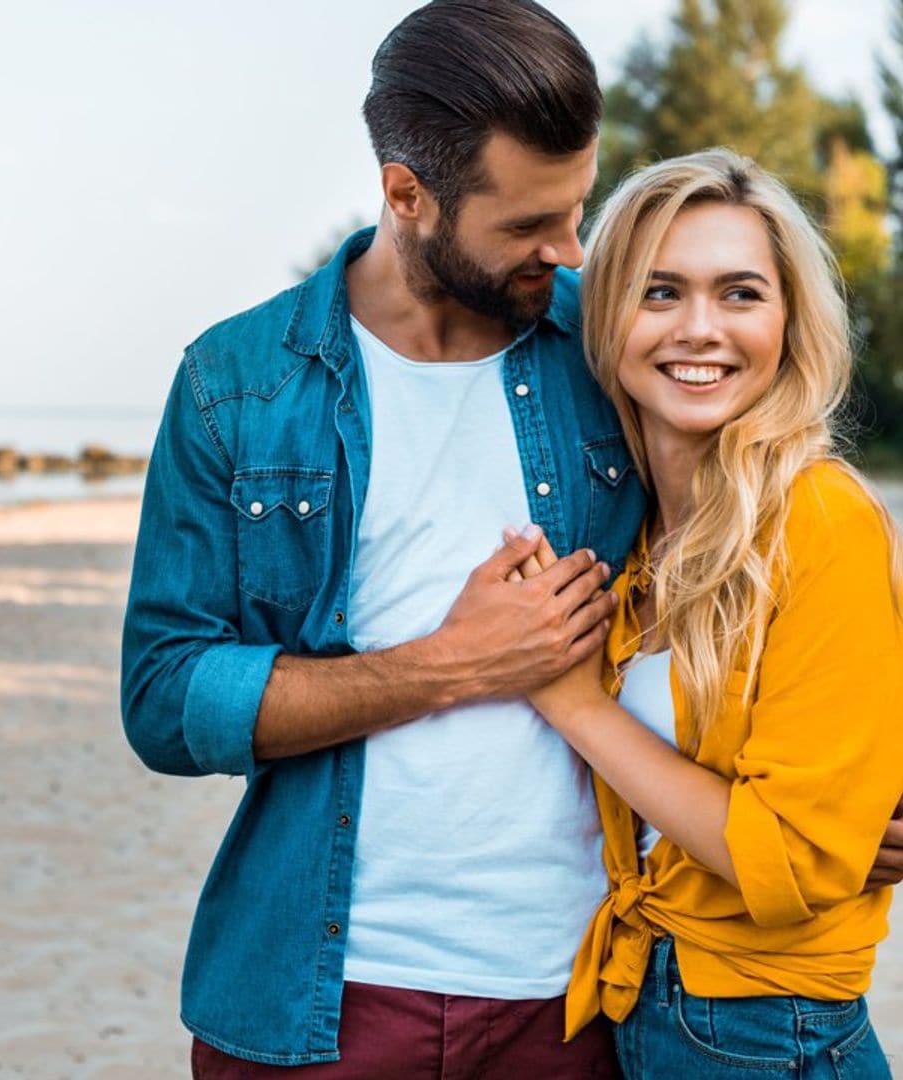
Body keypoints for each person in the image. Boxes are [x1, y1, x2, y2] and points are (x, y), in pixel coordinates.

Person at [120, 3, 903, 1075]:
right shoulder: (238, 384)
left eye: (579, 208)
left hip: (586, 995)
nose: (572, 250)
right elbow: (166, 700)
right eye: (532, 223)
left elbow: (785, 578)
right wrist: (446, 666)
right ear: (408, 194)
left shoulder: (616, 342)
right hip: (319, 989)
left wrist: (852, 803)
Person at [516, 149, 903, 1076]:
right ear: (605, 320)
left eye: (740, 294)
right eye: (659, 293)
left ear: (788, 320)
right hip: (654, 1002)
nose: (701, 330)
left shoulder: (815, 517)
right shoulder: (641, 536)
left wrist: (575, 705)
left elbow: (799, 860)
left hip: (769, 1031)